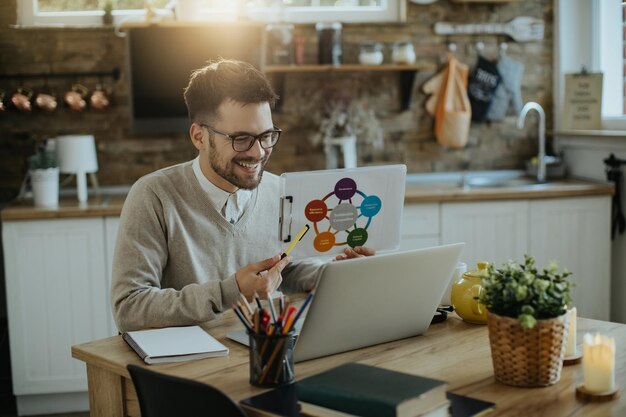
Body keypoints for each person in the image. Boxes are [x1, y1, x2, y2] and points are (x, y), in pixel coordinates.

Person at [111, 59, 373, 332]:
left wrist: (334, 275)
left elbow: (286, 270)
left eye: (266, 136)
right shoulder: (154, 196)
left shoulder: (280, 191)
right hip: (183, 365)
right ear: (199, 137)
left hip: (262, 351)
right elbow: (129, 308)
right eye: (241, 138)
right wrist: (229, 291)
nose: (258, 152)